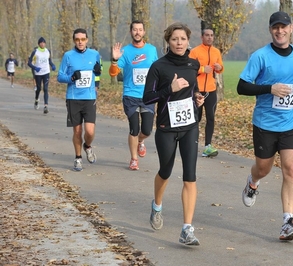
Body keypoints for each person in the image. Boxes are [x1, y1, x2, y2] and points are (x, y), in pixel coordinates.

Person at [237, 11, 293, 241]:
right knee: (263, 168)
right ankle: (252, 183)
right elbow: (242, 87)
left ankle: (287, 222)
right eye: (275, 27)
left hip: (291, 121)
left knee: (291, 167)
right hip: (265, 123)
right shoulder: (260, 56)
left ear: (291, 29)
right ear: (270, 30)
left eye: (284, 27)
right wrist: (269, 88)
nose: (279, 31)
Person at [143, 22, 205, 245]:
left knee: (190, 175)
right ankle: (157, 206)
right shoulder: (158, 66)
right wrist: (170, 88)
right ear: (168, 42)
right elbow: (147, 98)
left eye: (183, 39)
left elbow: (193, 88)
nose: (179, 43)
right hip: (166, 128)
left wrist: (197, 97)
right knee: (166, 171)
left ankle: (187, 229)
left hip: (190, 126)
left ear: (189, 41)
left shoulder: (193, 64)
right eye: (174, 39)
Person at [109, 20, 158, 170]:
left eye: (140, 30)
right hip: (130, 95)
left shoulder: (151, 50)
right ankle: (133, 159)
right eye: (134, 30)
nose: (137, 32)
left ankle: (140, 142)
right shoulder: (125, 51)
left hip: (148, 95)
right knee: (134, 128)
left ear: (144, 32)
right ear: (131, 32)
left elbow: (158, 69)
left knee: (147, 130)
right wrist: (115, 60)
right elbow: (113, 73)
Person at [57, 28, 102, 172]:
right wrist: (71, 78)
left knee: (89, 131)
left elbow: (97, 73)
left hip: (89, 98)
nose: (80, 42)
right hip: (73, 98)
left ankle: (87, 146)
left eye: (83, 39)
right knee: (77, 131)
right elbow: (59, 76)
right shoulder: (68, 56)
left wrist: (97, 83)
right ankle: (78, 158)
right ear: (74, 41)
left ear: (87, 40)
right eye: (77, 40)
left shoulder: (94, 54)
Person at [189, 27, 224, 157]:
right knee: (196, 118)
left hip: (211, 90)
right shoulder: (195, 51)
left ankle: (208, 146)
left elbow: (220, 67)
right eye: (207, 35)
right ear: (202, 37)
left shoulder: (216, 51)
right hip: (197, 91)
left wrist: (220, 68)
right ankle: (192, 143)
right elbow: (189, 68)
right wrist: (203, 69)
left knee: (210, 117)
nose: (210, 37)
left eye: (211, 35)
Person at [28, 37, 56, 114]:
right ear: (39, 44)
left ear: (45, 43)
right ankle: (36, 99)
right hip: (38, 73)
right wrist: (35, 68)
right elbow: (29, 63)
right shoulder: (35, 52)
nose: (42, 44)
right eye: (41, 42)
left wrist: (52, 65)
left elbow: (49, 61)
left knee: (46, 89)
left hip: (46, 72)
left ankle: (46, 106)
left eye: (44, 42)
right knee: (39, 88)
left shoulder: (48, 51)